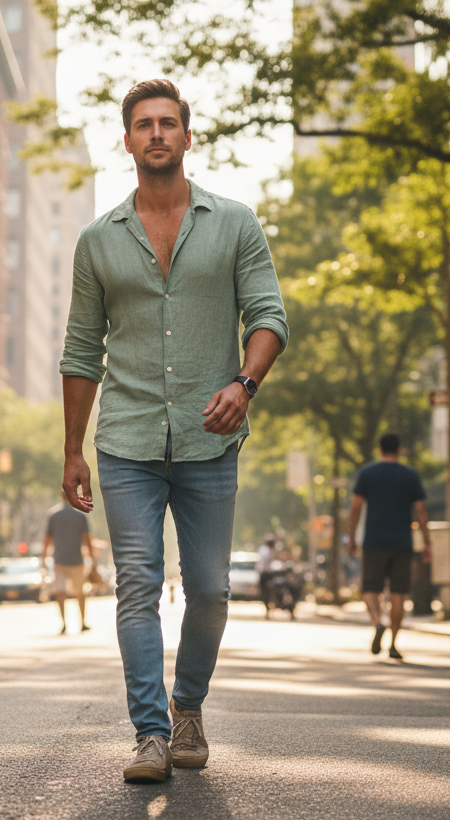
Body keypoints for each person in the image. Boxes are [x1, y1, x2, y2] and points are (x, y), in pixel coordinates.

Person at [59, 79, 288, 784]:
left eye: (167, 123)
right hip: (125, 439)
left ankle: (188, 706)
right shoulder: (98, 240)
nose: (156, 133)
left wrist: (244, 385)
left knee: (211, 589)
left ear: (188, 137)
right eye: (143, 124)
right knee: (137, 583)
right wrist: (72, 448)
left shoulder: (235, 224)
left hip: (209, 438)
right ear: (127, 140)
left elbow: (269, 318)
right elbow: (80, 350)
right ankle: (151, 733)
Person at [346, 433, 430, 661]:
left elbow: (356, 507)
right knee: (398, 593)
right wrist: (427, 542)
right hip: (403, 542)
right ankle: (393, 644)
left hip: (374, 542)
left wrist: (351, 538)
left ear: (379, 449)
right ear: (399, 449)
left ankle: (378, 623)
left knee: (369, 589)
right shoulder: (410, 475)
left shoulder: (368, 473)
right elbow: (421, 511)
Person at [43, 489, 95, 634]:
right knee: (80, 592)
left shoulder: (53, 514)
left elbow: (47, 539)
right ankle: (82, 622)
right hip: (76, 560)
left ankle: (64, 623)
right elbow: (87, 539)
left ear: (61, 496)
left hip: (59, 560)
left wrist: (43, 558)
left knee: (60, 592)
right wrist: (93, 559)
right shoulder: (80, 515)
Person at [255, 535, 278, 618]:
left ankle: (268, 608)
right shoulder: (269, 551)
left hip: (264, 574)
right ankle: (269, 607)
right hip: (267, 574)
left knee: (264, 592)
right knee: (268, 592)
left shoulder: (262, 549)